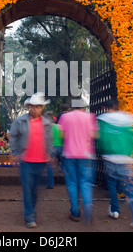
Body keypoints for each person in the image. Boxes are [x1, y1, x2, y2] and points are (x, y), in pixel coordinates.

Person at [96, 99, 133, 230]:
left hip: (110, 158)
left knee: (111, 185)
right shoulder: (128, 118)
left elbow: (100, 138)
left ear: (106, 107)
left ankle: (115, 210)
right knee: (129, 188)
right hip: (127, 159)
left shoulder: (103, 119)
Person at [9, 92, 54, 228]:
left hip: (40, 162)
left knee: (35, 190)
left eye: (38, 106)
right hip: (26, 161)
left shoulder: (46, 123)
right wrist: (13, 152)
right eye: (33, 106)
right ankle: (29, 216)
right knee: (28, 189)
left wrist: (50, 153)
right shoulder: (20, 121)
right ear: (29, 107)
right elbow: (13, 136)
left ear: (42, 108)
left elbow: (49, 140)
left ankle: (31, 212)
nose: (35, 109)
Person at [57, 99, 98, 224]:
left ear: (71, 107)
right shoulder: (90, 117)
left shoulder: (65, 117)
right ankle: (87, 208)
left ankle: (75, 212)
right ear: (84, 107)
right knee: (85, 183)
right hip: (86, 155)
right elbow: (94, 135)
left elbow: (61, 136)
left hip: (69, 155)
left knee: (72, 184)